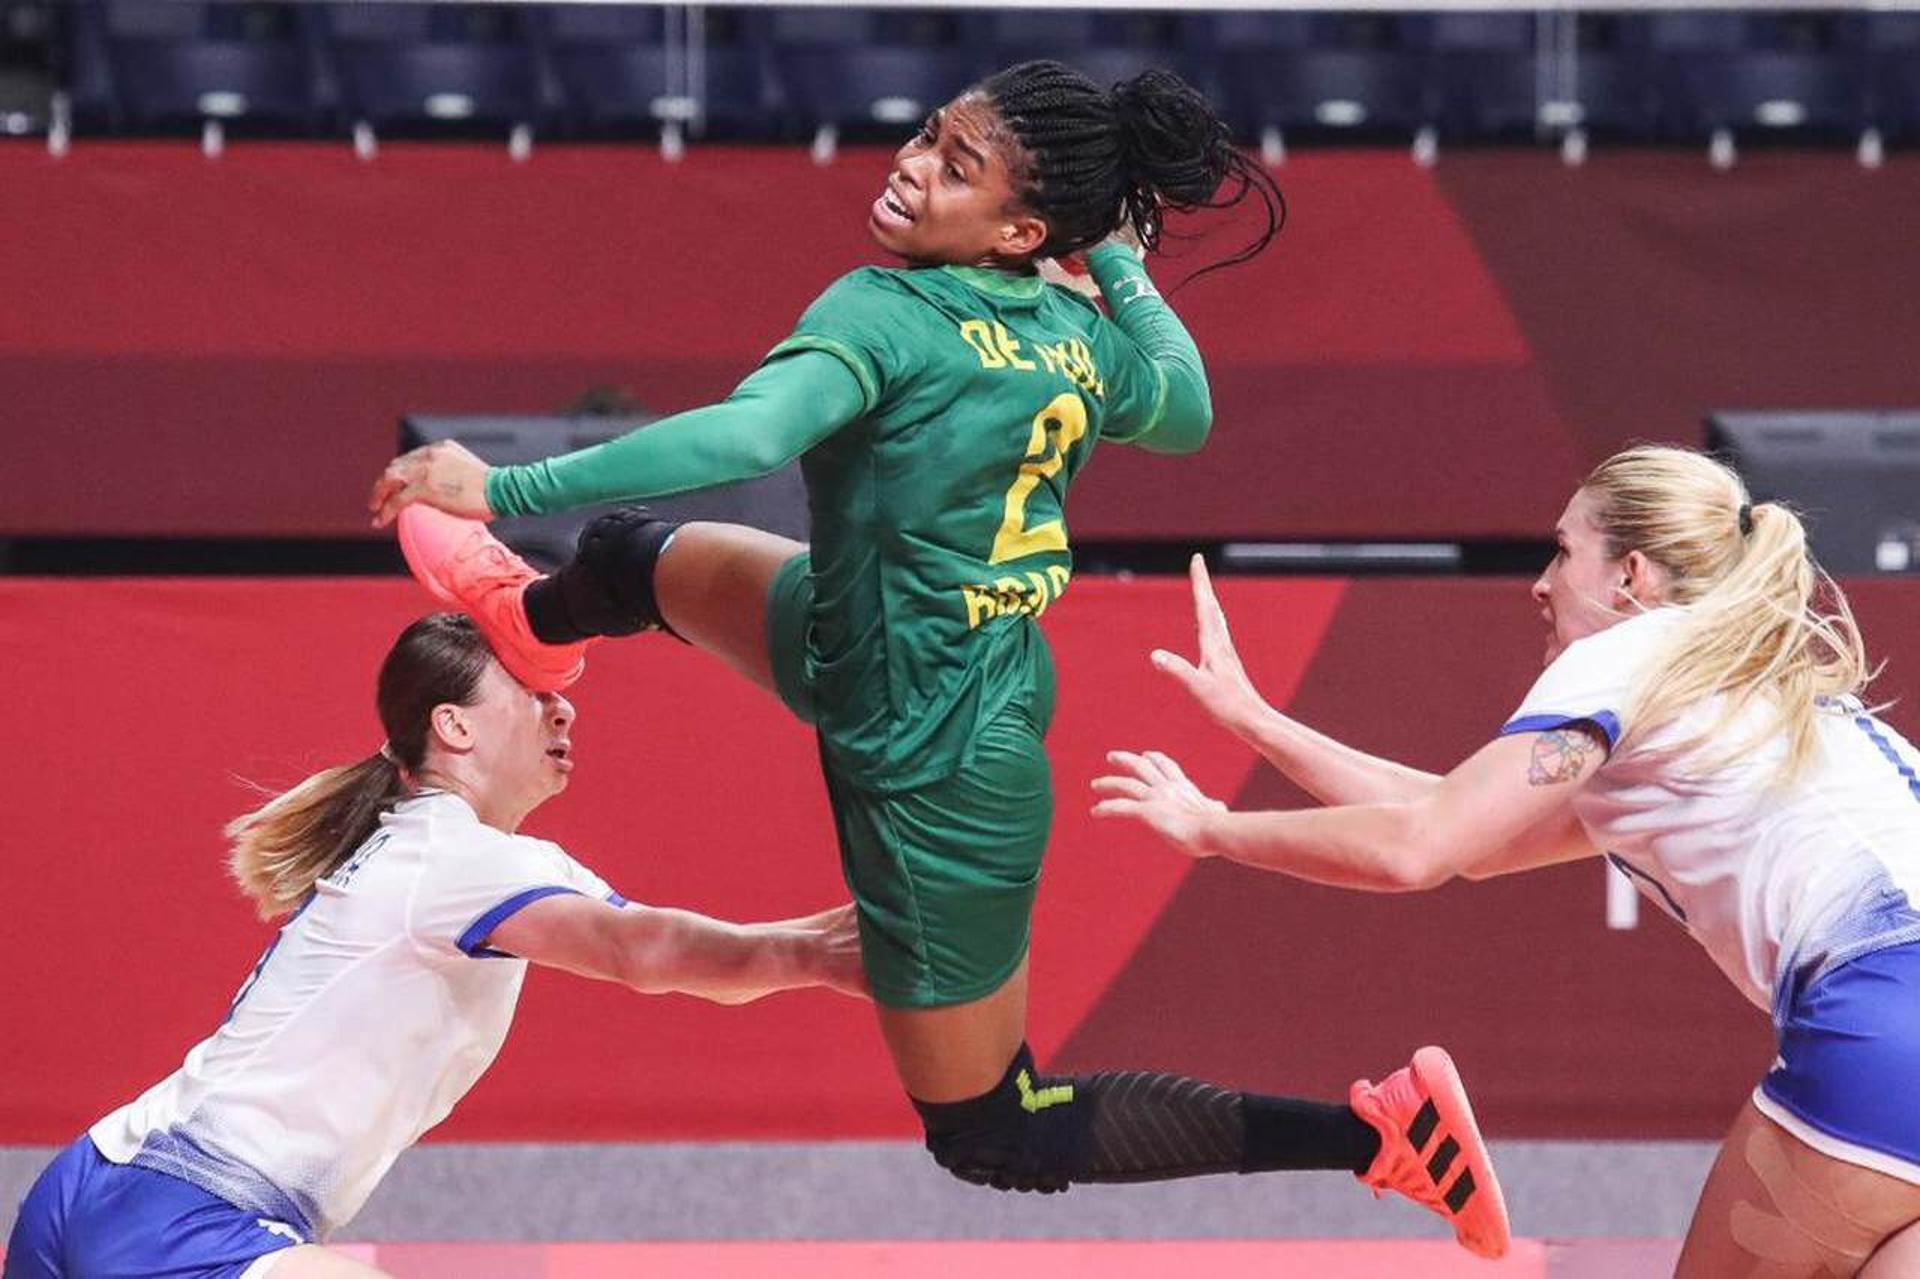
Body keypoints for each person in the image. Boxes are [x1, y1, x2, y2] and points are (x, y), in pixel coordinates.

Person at [364, 60, 1508, 1258]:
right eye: (927, 136)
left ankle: (1380, 1133)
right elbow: (1184, 404)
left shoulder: (885, 312)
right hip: (857, 627)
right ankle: (529, 625)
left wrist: (500, 483)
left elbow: (751, 434)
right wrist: (1113, 260)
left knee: (993, 1128)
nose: (912, 164)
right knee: (634, 560)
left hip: (935, 770)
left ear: (1019, 226)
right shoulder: (1071, 329)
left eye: (956, 165)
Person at [1094, 444, 1920, 1276]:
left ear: (1629, 577)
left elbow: (1416, 848)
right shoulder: (1749, 694)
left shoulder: (1632, 655)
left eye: (1564, 551)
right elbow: (1461, 833)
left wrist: (1215, 830)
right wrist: (1257, 722)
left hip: (1885, 1024)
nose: (1541, 581)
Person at [4, 613, 864, 1279]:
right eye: (531, 687)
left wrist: (825, 938)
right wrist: (822, 955)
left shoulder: (442, 849)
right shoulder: (455, 857)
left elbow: (662, 946)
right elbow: (639, 952)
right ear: (453, 727)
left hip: (98, 1180)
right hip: (187, 1215)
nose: (563, 704)